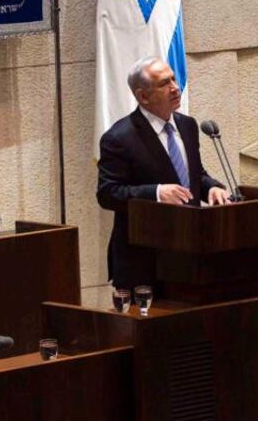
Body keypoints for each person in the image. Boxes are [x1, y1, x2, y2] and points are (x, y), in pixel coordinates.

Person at [97, 56, 230, 289]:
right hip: (145, 260)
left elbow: (195, 175)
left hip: (191, 251)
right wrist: (157, 193)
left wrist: (212, 188)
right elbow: (108, 194)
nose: (175, 88)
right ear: (143, 96)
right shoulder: (119, 138)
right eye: (164, 84)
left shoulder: (188, 126)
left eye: (173, 79)